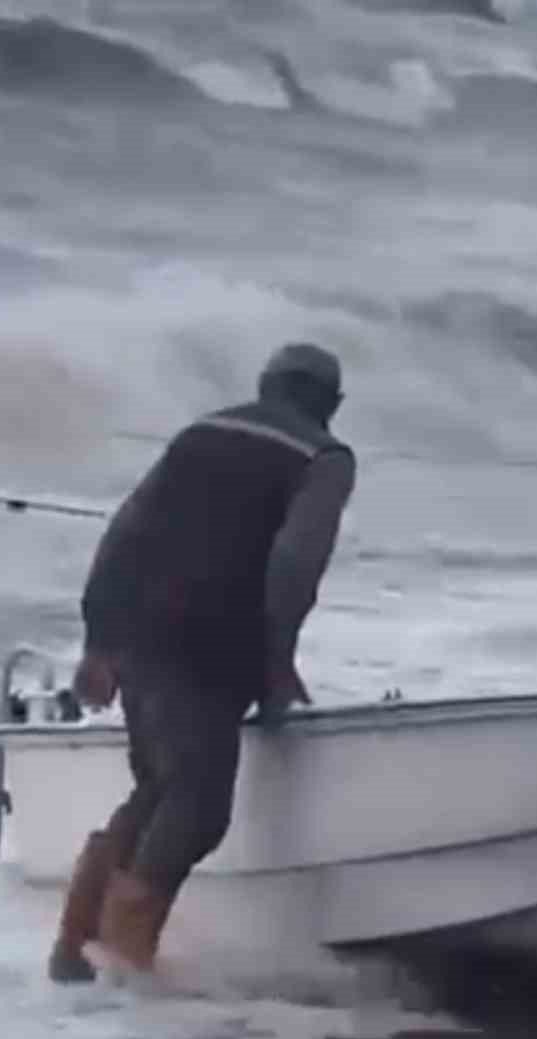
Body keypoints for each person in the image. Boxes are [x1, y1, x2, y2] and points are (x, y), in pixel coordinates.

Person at [48, 342, 356, 983]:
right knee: (198, 805)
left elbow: (125, 531)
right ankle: (124, 966)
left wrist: (99, 640)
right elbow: (295, 564)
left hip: (138, 635)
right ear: (333, 404)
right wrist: (278, 663)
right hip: (209, 646)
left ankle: (76, 956)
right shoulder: (323, 457)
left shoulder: (200, 432)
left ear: (265, 383)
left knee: (159, 786)